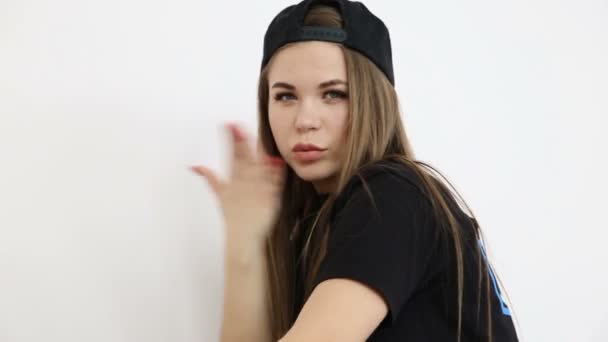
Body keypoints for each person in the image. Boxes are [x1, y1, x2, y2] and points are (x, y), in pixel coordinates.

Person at [192, 0, 519, 341]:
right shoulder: (318, 225)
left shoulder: (394, 196)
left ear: (372, 101)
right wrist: (243, 241)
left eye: (333, 94)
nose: (305, 121)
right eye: (286, 96)